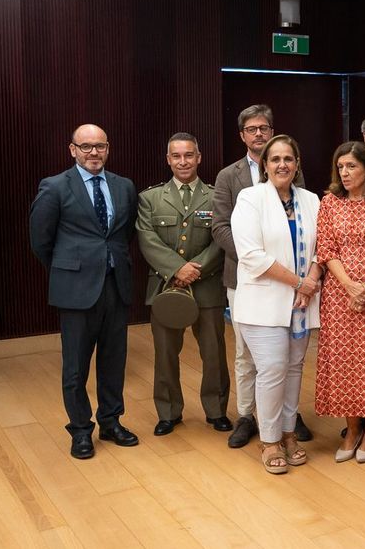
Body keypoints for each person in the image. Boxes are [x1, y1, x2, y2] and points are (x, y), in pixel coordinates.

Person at [29, 124, 139, 459]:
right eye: (86, 146)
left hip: (115, 285)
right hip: (75, 289)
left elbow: (123, 236)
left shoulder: (124, 186)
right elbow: (40, 241)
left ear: (108, 148)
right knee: (76, 366)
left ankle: (110, 421)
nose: (94, 152)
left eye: (100, 146)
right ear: (72, 150)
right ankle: (80, 430)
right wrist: (70, 270)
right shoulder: (54, 187)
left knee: (113, 360)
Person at [212, 104, 312, 448]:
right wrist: (257, 259)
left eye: (264, 128)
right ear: (243, 136)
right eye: (252, 129)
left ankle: (287, 424)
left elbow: (311, 238)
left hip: (298, 294)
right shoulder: (234, 181)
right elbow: (223, 229)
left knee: (290, 364)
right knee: (253, 359)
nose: (258, 133)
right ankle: (249, 418)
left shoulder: (305, 194)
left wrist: (302, 279)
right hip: (251, 283)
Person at [231, 135, 323, 474]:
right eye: (275, 159)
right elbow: (251, 255)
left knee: (294, 368)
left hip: (302, 302)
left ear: (297, 164)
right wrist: (299, 282)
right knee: (271, 370)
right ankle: (269, 440)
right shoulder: (250, 198)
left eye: (288, 158)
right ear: (265, 166)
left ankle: (287, 433)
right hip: (263, 303)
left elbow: (323, 248)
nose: (282, 164)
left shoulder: (311, 200)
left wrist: (310, 282)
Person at [136, 132, 231, 437]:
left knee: (214, 353)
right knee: (165, 353)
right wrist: (177, 269)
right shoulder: (150, 198)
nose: (183, 161)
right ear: (168, 160)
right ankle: (168, 412)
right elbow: (147, 240)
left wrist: (194, 269)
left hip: (207, 285)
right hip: (166, 288)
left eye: (189, 155)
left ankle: (216, 410)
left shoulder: (216, 196)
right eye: (176, 156)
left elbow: (221, 239)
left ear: (198, 158)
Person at [315, 141, 365, 464]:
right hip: (338, 294)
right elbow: (326, 248)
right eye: (341, 167)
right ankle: (351, 429)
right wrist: (350, 286)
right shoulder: (330, 202)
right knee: (344, 361)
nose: (345, 173)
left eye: (351, 166)